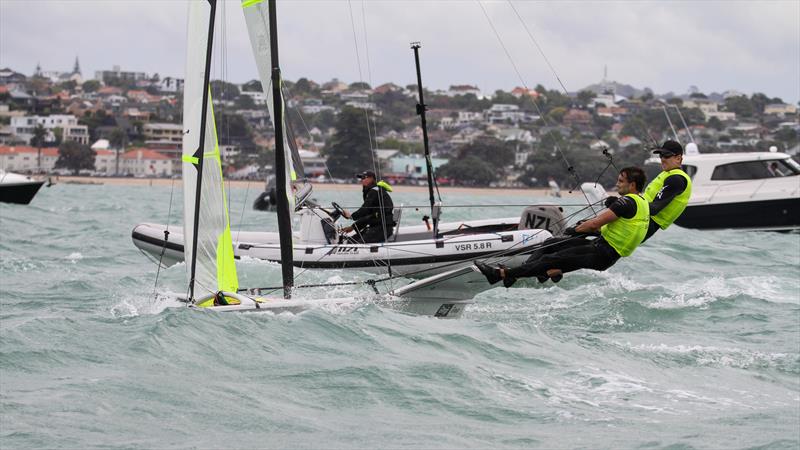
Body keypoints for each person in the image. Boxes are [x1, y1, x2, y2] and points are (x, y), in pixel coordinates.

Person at [476, 167, 650, 287]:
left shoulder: (626, 202)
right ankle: (535, 274)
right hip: (601, 246)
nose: (617, 183)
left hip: (603, 253)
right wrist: (587, 229)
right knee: (551, 243)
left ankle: (502, 275)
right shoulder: (642, 203)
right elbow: (623, 230)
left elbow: (596, 223)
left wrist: (575, 230)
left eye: (621, 181)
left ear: (632, 185)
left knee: (549, 260)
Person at [341, 170, 395, 243]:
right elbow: (369, 215)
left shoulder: (374, 191)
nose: (362, 180)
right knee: (349, 241)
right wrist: (353, 227)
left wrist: (351, 216)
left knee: (357, 243)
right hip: (376, 226)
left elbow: (365, 209)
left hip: (382, 229)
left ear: (371, 178)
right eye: (361, 178)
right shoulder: (373, 191)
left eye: (364, 178)